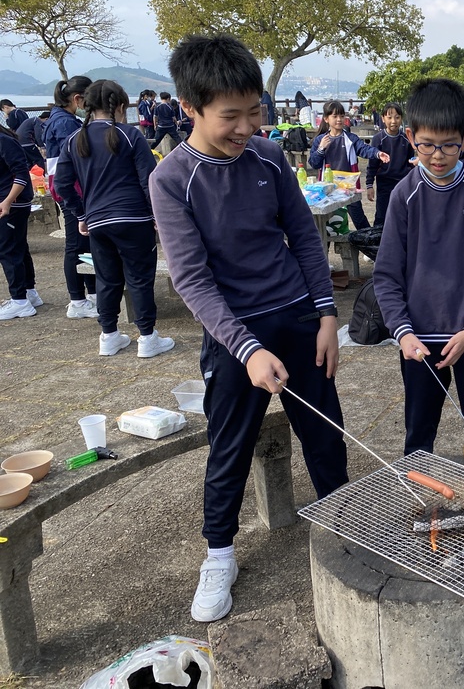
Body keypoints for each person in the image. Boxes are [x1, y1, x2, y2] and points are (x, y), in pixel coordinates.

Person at [149, 34, 350, 623]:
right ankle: (219, 553)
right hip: (233, 332)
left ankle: (342, 523)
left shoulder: (267, 157)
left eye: (255, 111)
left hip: (298, 315)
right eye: (230, 116)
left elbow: (304, 238)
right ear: (190, 107)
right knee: (229, 447)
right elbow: (191, 279)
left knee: (326, 433)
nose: (246, 127)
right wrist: (246, 349)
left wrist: (327, 315)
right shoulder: (172, 179)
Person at [372, 77, 464, 456]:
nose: (437, 155)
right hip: (419, 339)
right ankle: (416, 491)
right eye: (427, 145)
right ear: (410, 137)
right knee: (418, 435)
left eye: (449, 145)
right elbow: (386, 276)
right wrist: (402, 332)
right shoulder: (404, 195)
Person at [54, 79, 174, 358]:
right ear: (120, 106)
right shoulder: (130, 135)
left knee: (107, 278)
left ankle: (108, 335)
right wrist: (156, 214)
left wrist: (81, 213)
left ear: (85, 105)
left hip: (97, 220)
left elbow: (61, 185)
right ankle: (147, 337)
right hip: (134, 218)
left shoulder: (75, 140)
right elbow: (149, 180)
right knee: (139, 278)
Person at [44, 75, 99, 319]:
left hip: (70, 187)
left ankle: (91, 294)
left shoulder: (60, 118)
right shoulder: (66, 123)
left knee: (83, 244)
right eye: (88, 100)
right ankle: (77, 299)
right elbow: (81, 156)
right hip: (70, 189)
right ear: (77, 99)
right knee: (75, 245)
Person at [307, 100, 390, 231]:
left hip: (348, 187)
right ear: (326, 119)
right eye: (335, 116)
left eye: (341, 116)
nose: (339, 119)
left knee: (359, 220)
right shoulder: (320, 140)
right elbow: (314, 163)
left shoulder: (350, 138)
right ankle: (325, 243)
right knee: (327, 223)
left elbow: (364, 149)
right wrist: (321, 149)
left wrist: (377, 153)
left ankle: (369, 242)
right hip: (328, 189)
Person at [0, 125, 38, 319]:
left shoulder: (4, 142)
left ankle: (20, 300)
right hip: (10, 203)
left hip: (11, 204)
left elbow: (21, 175)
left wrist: (7, 201)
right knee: (19, 247)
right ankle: (29, 292)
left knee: (7, 250)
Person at [365, 102, 413, 227]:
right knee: (382, 217)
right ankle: (379, 239)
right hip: (384, 184)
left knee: (403, 215)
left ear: (401, 118)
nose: (393, 121)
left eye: (397, 117)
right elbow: (372, 164)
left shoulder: (406, 139)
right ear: (383, 118)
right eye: (389, 117)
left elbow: (411, 163)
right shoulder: (378, 139)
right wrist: (369, 185)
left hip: (403, 183)